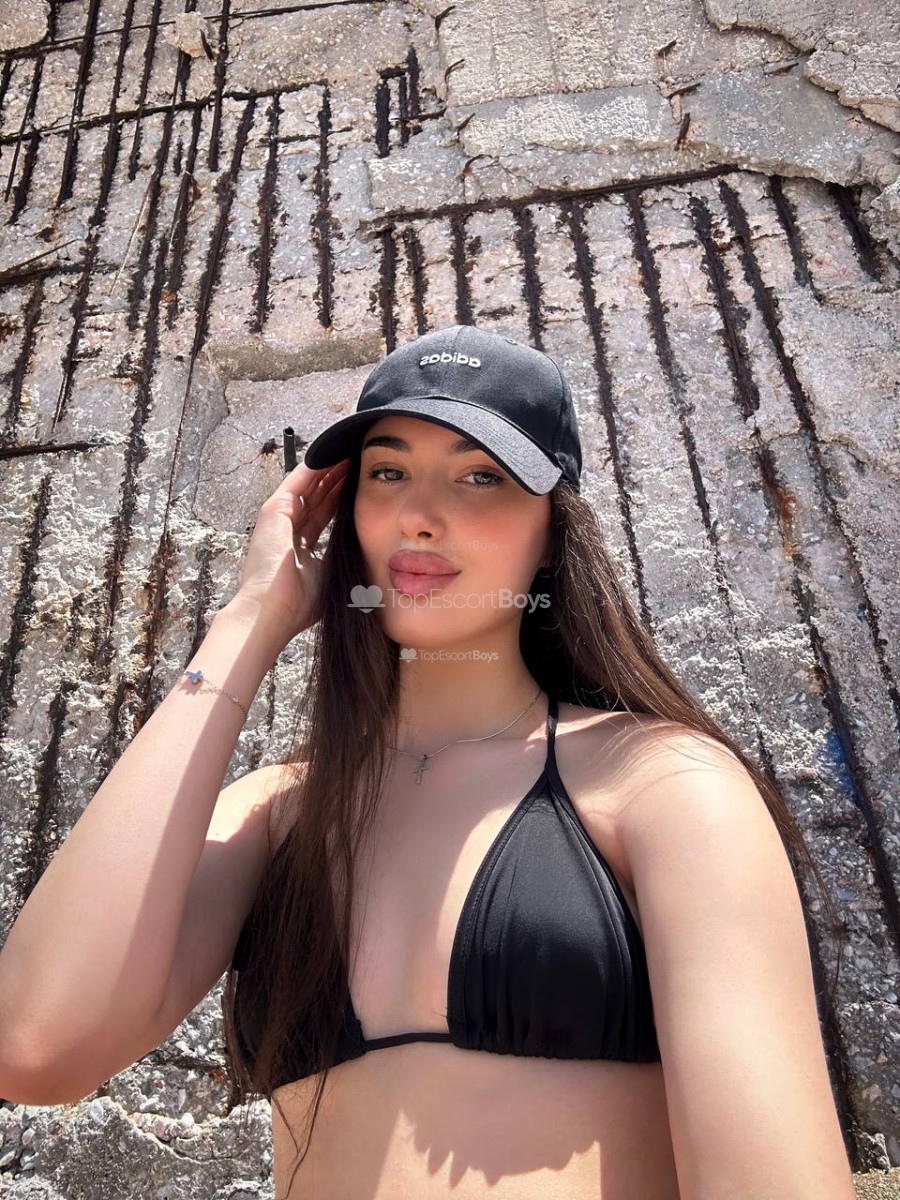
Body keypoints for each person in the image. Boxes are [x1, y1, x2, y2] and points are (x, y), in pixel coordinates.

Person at [0, 325, 854, 1200]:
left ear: (552, 530)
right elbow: (36, 1045)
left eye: (481, 476)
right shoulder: (276, 812)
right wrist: (251, 620)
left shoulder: (659, 786)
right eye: (388, 472)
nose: (419, 513)